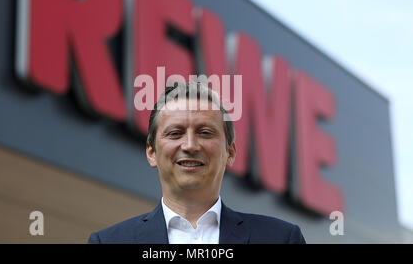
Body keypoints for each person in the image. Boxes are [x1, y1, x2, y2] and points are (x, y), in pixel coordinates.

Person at [88, 82, 306, 244]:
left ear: (230, 152)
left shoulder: (281, 239)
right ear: (152, 152)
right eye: (175, 133)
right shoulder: (107, 242)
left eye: (205, 132)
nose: (190, 145)